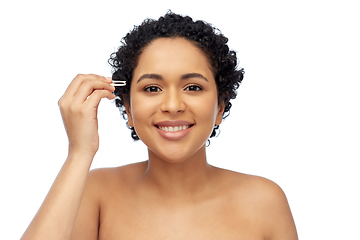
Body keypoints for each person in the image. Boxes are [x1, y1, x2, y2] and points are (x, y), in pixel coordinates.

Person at [21, 12, 298, 240]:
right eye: (152, 88)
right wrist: (79, 152)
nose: (173, 105)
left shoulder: (264, 202)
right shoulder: (96, 193)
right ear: (128, 108)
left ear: (220, 106)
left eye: (192, 87)